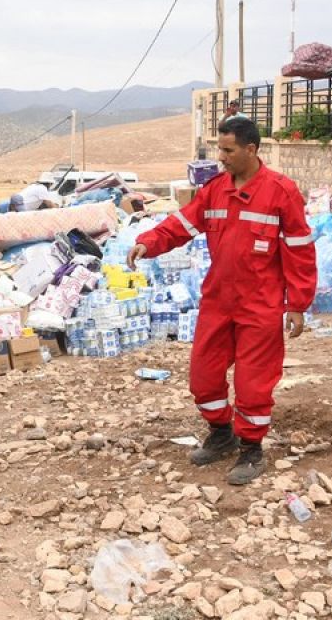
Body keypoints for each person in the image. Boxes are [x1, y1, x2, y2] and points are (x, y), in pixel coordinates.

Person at [126, 116, 316, 486]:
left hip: (260, 303)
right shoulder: (214, 190)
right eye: (220, 150)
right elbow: (181, 225)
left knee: (253, 383)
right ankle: (221, 434)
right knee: (203, 376)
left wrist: (297, 303)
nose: (222, 158)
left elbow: (299, 250)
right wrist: (148, 241)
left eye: (228, 151)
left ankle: (250, 449)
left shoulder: (281, 192)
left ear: (251, 149)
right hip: (219, 299)